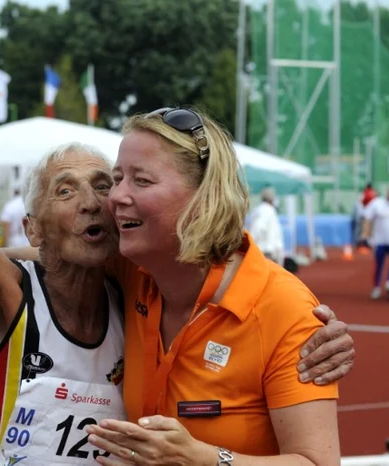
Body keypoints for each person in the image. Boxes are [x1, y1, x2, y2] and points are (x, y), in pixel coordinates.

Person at [0, 23, 354, 465]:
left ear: (199, 196)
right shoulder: (55, 286)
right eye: (69, 190)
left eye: (119, 183)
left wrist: (203, 458)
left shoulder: (171, 285)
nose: (105, 199)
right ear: (33, 228)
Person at [84, 108, 343, 465]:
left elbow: (318, 463)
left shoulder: (284, 309)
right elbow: (41, 256)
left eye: (141, 181)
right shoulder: (135, 270)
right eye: (117, 178)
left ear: (204, 196)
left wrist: (201, 458)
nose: (116, 196)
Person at [248, 186, 284, 266]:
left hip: (266, 251)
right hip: (266, 252)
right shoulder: (266, 210)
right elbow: (258, 228)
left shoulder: (263, 210)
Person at [0, 182, 29, 247]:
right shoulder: (28, 204)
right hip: (28, 242)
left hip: (14, 243)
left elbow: (6, 225)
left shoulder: (9, 206)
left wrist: (4, 244)